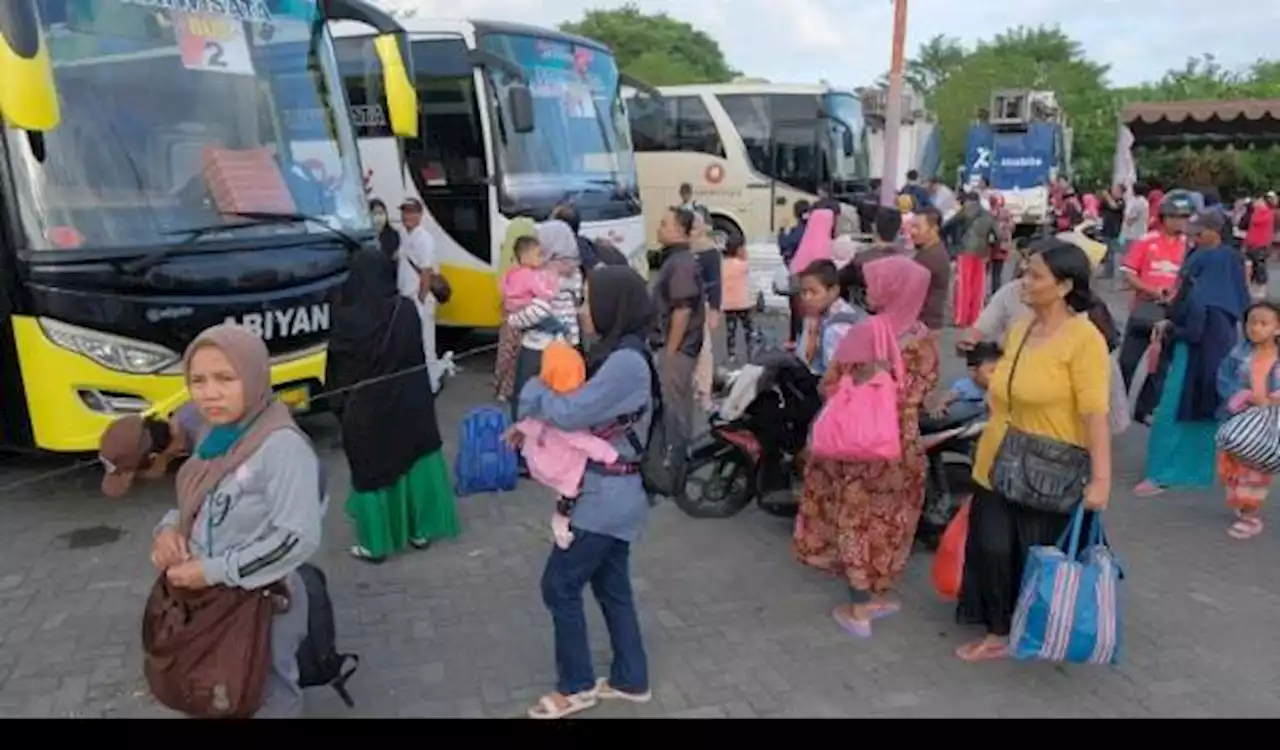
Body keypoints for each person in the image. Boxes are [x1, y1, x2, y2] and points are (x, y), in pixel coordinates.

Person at [145, 324, 323, 717]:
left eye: (226, 378)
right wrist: (169, 530)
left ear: (256, 375)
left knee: (268, 693)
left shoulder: (281, 446)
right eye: (198, 380)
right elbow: (200, 504)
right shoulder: (216, 435)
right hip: (217, 599)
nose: (209, 393)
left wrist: (213, 570)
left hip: (266, 601)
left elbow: (298, 538)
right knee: (223, 684)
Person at [955, 240, 1112, 663]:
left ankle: (1034, 627)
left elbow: (1095, 413)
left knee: (1030, 553)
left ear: (1063, 286)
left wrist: (1101, 479)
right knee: (991, 547)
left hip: (1048, 466)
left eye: (1035, 275)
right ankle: (997, 630)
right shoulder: (1021, 328)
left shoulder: (1084, 340)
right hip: (996, 456)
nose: (1024, 280)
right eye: (1025, 271)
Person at [512, 266, 657, 720]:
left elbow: (571, 413)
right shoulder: (619, 354)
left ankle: (575, 687)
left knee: (559, 584)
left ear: (613, 305)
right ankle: (631, 678)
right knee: (610, 584)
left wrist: (534, 386)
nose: (580, 308)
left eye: (588, 299)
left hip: (606, 498)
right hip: (614, 491)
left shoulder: (626, 363)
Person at [794, 256, 939, 638]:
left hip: (858, 445)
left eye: (877, 284)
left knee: (853, 519)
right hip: (900, 445)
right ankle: (873, 592)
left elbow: (829, 385)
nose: (870, 290)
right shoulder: (922, 338)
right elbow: (919, 393)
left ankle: (859, 607)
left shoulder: (864, 333)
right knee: (888, 520)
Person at [327, 249, 460, 563]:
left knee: (373, 473)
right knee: (413, 464)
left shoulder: (344, 318)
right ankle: (420, 531)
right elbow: (416, 355)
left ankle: (376, 544)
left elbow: (336, 373)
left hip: (368, 411)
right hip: (411, 404)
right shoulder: (405, 309)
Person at [1134, 211, 1250, 497]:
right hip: (1223, 348)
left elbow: (1191, 314)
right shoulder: (1230, 261)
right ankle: (1210, 470)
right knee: (1213, 408)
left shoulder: (1202, 264)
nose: (1193, 239)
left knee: (1174, 411)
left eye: (1198, 233)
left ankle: (1164, 472)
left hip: (1193, 351)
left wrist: (1171, 326)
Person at [1117, 192, 1193, 397]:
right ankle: (1118, 405)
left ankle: (1145, 408)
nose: (1181, 222)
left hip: (1171, 312)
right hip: (1144, 308)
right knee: (1127, 362)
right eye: (1176, 217)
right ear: (1164, 217)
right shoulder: (1146, 241)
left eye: (1185, 217)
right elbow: (1128, 274)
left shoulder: (1189, 246)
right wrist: (1152, 291)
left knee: (1160, 365)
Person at [1216, 301, 1280, 540]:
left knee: (1255, 470)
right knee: (1230, 468)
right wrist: (1241, 397)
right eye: (1252, 322)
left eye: (1264, 323)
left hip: (1266, 425)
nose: (1255, 328)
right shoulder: (1238, 354)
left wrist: (1270, 399)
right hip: (1237, 419)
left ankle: (1250, 516)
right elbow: (1223, 379)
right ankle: (1243, 504)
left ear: (1277, 328)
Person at [508, 220, 583, 423]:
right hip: (567, 346)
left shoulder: (543, 275)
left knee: (527, 405)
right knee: (560, 403)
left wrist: (515, 320)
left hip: (538, 348)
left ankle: (525, 450)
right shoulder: (575, 272)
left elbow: (538, 309)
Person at [651, 206, 704, 451]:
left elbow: (682, 310)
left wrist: (670, 352)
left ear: (680, 230)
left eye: (664, 224)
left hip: (678, 348)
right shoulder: (673, 260)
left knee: (675, 409)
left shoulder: (681, 264)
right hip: (676, 346)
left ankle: (677, 462)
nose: (659, 229)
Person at [397, 197, 444, 392]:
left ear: (420, 215)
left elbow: (425, 271)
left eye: (412, 212)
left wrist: (422, 297)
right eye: (405, 212)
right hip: (406, 297)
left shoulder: (424, 238)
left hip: (419, 298)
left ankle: (432, 383)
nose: (408, 216)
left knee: (426, 342)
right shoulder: (404, 235)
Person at [495, 218, 539, 400]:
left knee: (509, 353)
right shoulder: (521, 272)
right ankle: (507, 388)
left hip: (513, 316)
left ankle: (504, 388)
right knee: (516, 353)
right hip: (521, 317)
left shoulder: (509, 269)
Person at [797, 259, 865, 375]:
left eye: (813, 292)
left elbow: (836, 378)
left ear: (833, 291)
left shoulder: (838, 328)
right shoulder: (816, 317)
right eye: (804, 292)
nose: (807, 298)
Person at [837, 207, 904, 310]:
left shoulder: (861, 259)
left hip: (863, 313)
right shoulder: (907, 260)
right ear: (900, 230)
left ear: (874, 227)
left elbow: (839, 281)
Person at [691, 211, 723, 412]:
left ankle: (704, 393)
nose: (693, 231)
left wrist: (714, 309)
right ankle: (691, 389)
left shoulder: (709, 251)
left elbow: (715, 283)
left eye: (696, 226)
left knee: (703, 350)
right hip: (680, 306)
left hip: (700, 306)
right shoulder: (679, 249)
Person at [952, 193, 997, 328]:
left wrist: (952, 245)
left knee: (964, 286)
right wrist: (991, 248)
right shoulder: (989, 216)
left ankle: (961, 318)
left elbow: (947, 226)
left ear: (967, 201)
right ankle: (975, 318)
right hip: (982, 253)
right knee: (978, 287)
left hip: (965, 251)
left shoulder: (964, 212)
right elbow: (999, 235)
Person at [928, 341, 1001, 423]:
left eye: (1001, 371)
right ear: (973, 370)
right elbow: (949, 397)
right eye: (991, 371)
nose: (996, 376)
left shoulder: (999, 388)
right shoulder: (964, 385)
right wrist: (941, 405)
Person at [908, 207, 951, 333]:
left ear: (934, 229)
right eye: (911, 226)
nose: (912, 232)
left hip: (924, 325)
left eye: (917, 227)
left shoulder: (931, 258)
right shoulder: (931, 251)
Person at [720, 232, 758, 363]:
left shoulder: (722, 264)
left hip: (728, 304)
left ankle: (731, 354)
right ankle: (751, 353)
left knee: (731, 330)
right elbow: (751, 281)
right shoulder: (743, 265)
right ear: (738, 249)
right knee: (749, 329)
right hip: (743, 303)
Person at [779, 200, 812, 345]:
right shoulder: (814, 230)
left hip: (796, 271)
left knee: (795, 307)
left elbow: (784, 245)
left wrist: (782, 231)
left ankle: (794, 338)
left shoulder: (795, 231)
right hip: (812, 272)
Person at [1243, 193, 1276, 298]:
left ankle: (1262, 288)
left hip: (1261, 244)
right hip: (1252, 243)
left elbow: (1256, 221)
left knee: (1260, 265)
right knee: (1250, 265)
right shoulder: (1256, 213)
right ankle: (1250, 286)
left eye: (1259, 201)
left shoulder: (1266, 213)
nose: (1255, 203)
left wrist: (1255, 210)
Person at [1099, 184, 1125, 278]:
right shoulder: (1109, 201)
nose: (1113, 192)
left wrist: (1107, 195)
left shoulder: (1121, 202)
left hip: (1114, 230)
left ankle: (1109, 273)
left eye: (1116, 190)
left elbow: (1114, 207)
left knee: (1111, 252)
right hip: (1106, 228)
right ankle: (1107, 271)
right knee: (1106, 251)